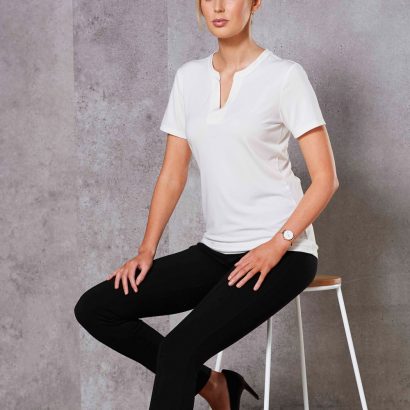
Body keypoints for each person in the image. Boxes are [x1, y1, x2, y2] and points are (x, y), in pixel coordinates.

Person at [74, 0, 339, 409]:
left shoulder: (285, 76)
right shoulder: (189, 78)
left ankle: (215, 387)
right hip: (216, 251)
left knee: (179, 350)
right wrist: (146, 250)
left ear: (254, 3)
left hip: (283, 253)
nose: (217, 6)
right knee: (97, 308)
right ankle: (215, 386)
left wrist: (278, 243)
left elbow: (325, 179)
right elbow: (172, 174)